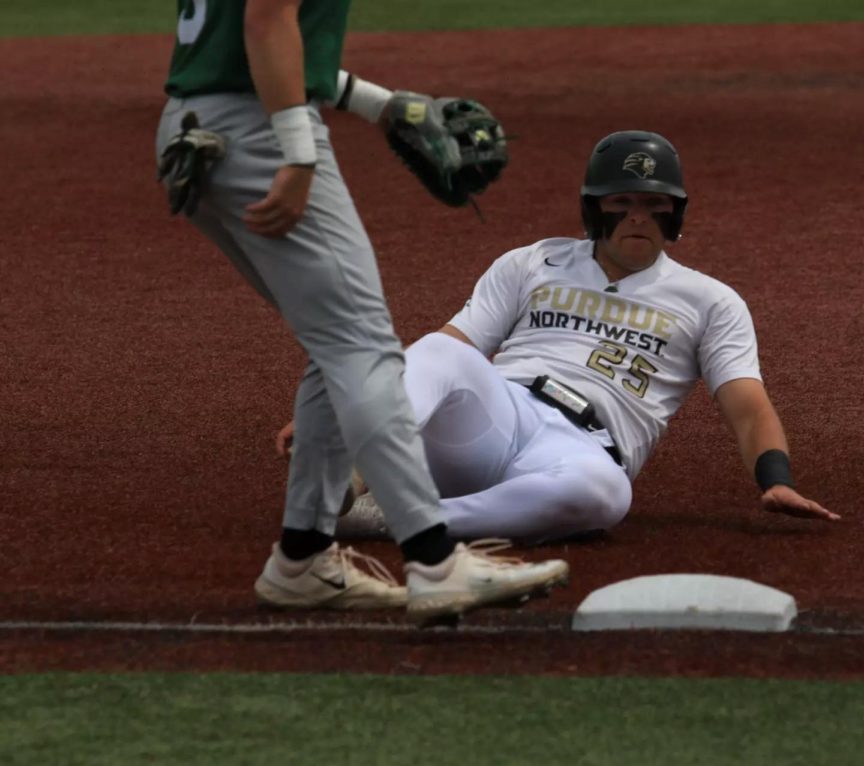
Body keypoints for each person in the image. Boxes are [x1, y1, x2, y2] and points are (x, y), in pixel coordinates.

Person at [155, 0, 567, 622]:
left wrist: (375, 102)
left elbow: (248, 41)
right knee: (364, 349)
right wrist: (296, 154)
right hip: (259, 130)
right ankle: (435, 561)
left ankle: (303, 560)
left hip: (201, 126)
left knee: (335, 344)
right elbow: (266, 17)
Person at [280, 130, 840, 542]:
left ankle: (409, 519)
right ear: (593, 209)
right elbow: (451, 349)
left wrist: (775, 477)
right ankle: (347, 476)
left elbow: (748, 408)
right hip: (497, 416)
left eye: (653, 204)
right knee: (440, 350)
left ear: (675, 214)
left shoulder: (711, 301)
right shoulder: (533, 261)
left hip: (583, 450)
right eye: (621, 202)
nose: (637, 216)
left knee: (606, 497)